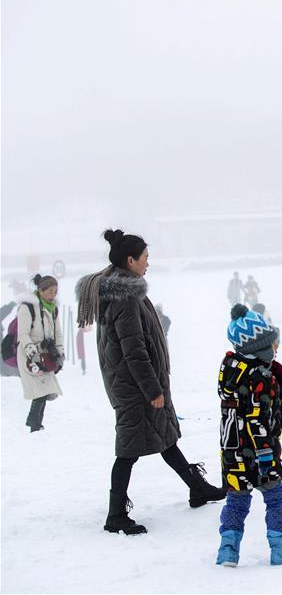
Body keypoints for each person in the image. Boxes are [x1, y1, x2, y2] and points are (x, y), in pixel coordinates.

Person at [76, 229, 225, 535]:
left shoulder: (121, 289)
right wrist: (152, 389)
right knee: (128, 450)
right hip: (133, 387)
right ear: (130, 260)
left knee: (165, 438)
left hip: (131, 383)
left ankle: (197, 488)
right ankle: (115, 514)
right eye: (145, 257)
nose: (148, 263)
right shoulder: (125, 297)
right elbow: (134, 349)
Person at [215, 304, 282, 567]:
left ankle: (228, 549)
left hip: (231, 451)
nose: (276, 348)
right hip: (258, 451)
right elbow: (257, 418)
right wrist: (267, 456)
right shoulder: (261, 376)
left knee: (236, 500)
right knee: (277, 497)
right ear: (259, 347)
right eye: (272, 344)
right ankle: (281, 547)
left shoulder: (231, 368)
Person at [17, 274, 65, 432]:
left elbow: (58, 334)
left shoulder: (53, 309)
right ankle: (35, 424)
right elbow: (23, 335)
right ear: (40, 290)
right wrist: (33, 354)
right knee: (39, 390)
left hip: (47, 354)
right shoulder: (27, 307)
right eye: (50, 292)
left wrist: (60, 355)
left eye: (55, 292)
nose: (53, 295)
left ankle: (35, 423)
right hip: (28, 355)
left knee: (46, 390)